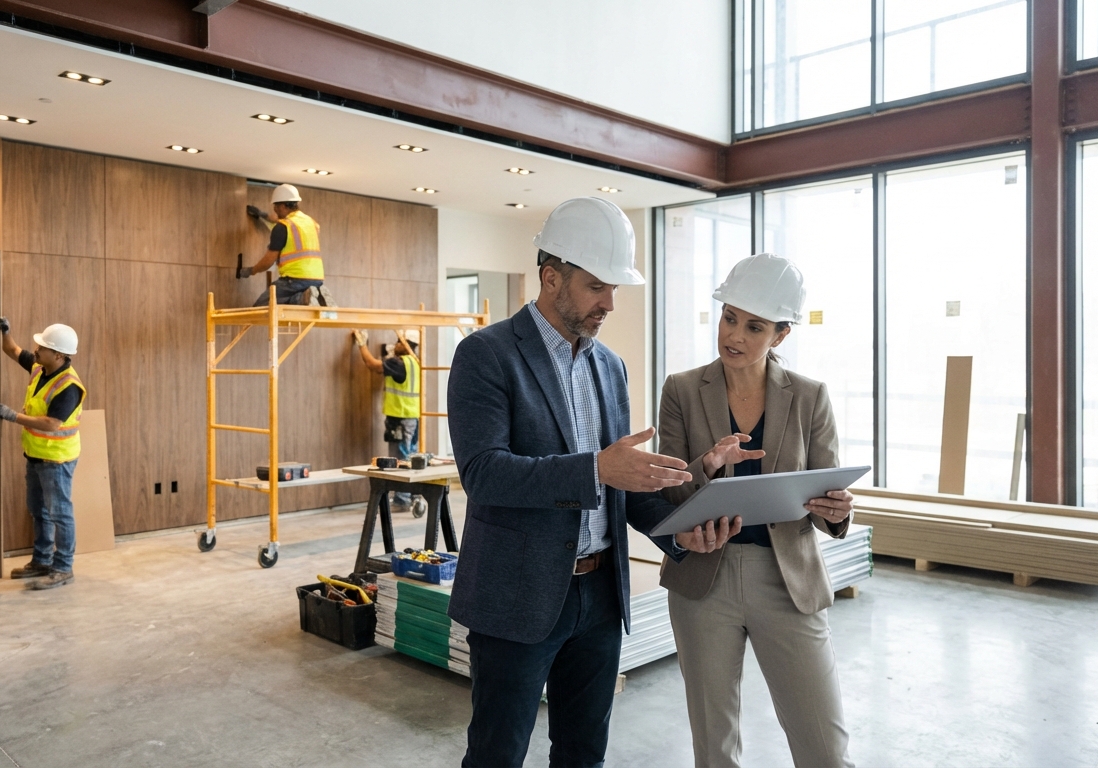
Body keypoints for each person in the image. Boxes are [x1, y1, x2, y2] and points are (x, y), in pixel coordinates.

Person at [447, 197, 723, 767]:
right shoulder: (486, 354)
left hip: (598, 598)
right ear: (552, 277)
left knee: (583, 754)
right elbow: (484, 473)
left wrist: (677, 531)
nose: (610, 303)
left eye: (615, 289)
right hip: (517, 599)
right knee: (497, 754)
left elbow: (620, 486)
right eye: (598, 286)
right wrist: (594, 468)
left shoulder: (610, 366)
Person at [656, 253, 856, 768]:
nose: (735, 336)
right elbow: (671, 494)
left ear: (781, 335)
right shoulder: (680, 389)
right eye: (729, 318)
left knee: (825, 748)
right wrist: (708, 463)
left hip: (787, 577)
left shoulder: (810, 397)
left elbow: (827, 496)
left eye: (754, 326)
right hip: (704, 581)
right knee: (714, 746)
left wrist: (835, 508)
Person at [0, 318, 86, 591]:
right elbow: (13, 350)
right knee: (38, 510)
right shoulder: (40, 368)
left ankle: (63, 568)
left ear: (58, 354)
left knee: (60, 513)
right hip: (35, 454)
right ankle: (42, 561)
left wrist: (11, 416)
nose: (36, 349)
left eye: (42, 346)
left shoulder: (69, 387)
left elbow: (52, 424)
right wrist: (6, 332)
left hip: (57, 459)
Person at [353, 328, 427, 515]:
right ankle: (413, 495)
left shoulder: (400, 363)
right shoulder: (416, 362)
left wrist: (362, 345)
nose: (396, 344)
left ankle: (401, 499)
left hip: (401, 418)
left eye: (399, 342)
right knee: (411, 457)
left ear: (407, 344)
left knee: (400, 459)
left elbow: (373, 365)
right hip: (414, 417)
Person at [242, 183, 333, 307]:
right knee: (289, 309)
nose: (275, 210)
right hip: (317, 280)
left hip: (293, 280)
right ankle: (312, 295)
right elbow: (283, 220)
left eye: (276, 207)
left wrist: (250, 271)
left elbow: (268, 261)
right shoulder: (310, 222)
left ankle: (302, 298)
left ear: (284, 205)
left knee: (261, 308)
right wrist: (262, 215)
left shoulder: (282, 227)